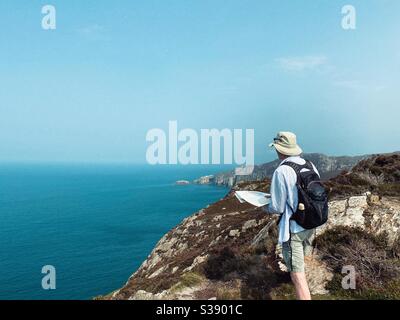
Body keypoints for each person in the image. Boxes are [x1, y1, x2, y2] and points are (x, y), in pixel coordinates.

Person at [263, 131, 320, 300]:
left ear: (279, 149)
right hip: (311, 222)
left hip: (294, 228)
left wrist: (265, 206)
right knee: (302, 262)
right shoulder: (309, 164)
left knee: (297, 275)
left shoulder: (282, 171)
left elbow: (278, 207)